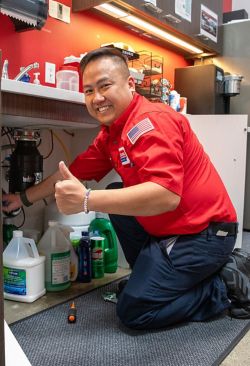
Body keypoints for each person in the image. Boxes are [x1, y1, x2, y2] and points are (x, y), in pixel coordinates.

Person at [2, 47, 244, 329]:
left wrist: (87, 200)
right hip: (172, 230)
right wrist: (21, 198)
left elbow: (166, 196)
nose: (97, 98)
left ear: (130, 84)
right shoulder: (112, 133)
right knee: (117, 191)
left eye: (105, 85)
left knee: (135, 312)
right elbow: (70, 174)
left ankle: (222, 286)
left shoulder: (152, 121)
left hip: (206, 234)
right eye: (89, 90)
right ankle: (154, 276)